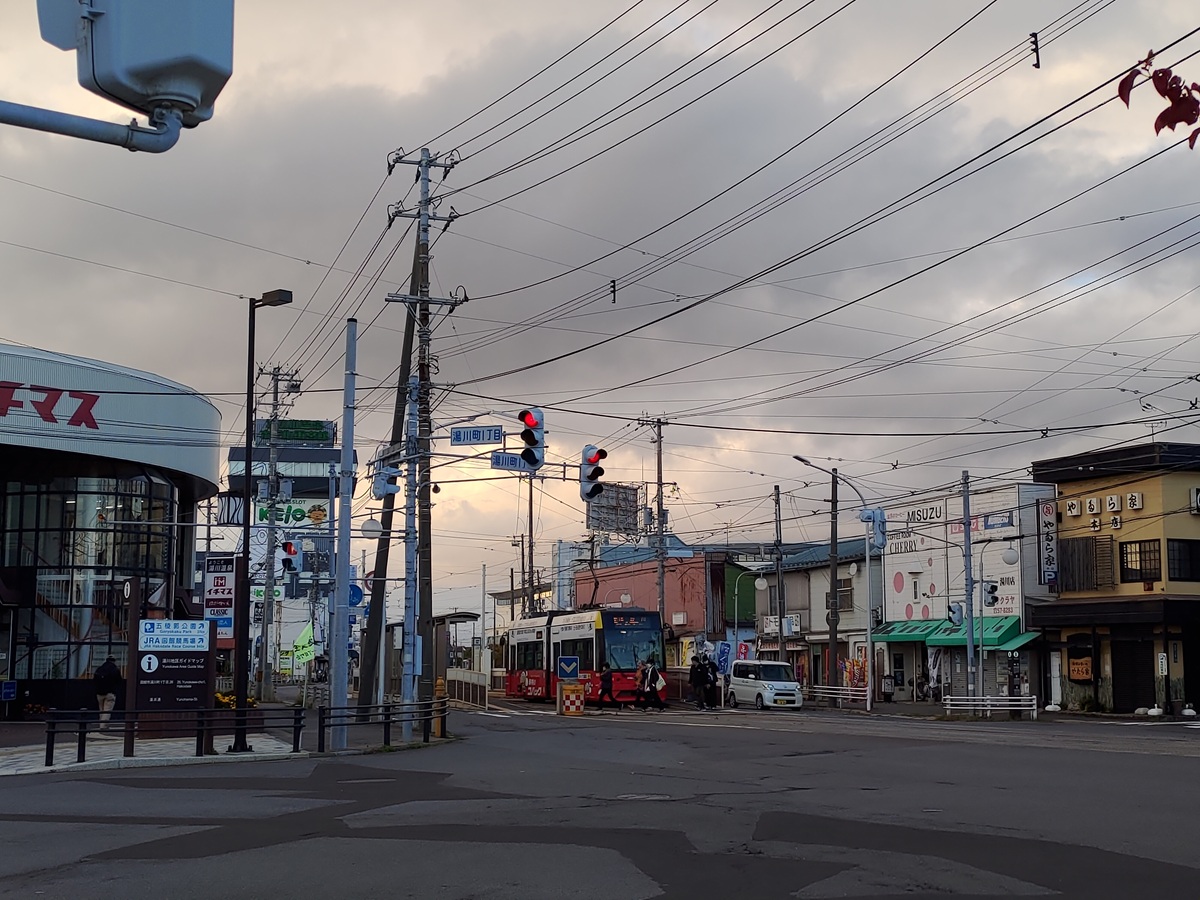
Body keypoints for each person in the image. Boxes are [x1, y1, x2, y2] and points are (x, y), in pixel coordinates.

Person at [94, 655, 122, 729]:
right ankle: (103, 726)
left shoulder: (99, 669)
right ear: (114, 661)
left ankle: (101, 723)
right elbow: (119, 681)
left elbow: (94, 680)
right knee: (107, 710)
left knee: (101, 709)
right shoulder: (115, 670)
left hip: (99, 693)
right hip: (110, 693)